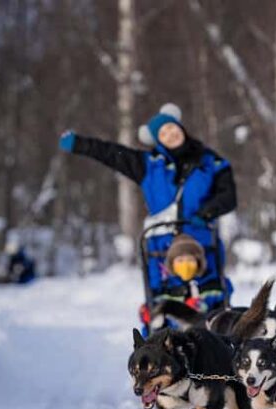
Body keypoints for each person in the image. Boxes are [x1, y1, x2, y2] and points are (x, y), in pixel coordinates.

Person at [58, 103, 236, 316]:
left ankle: (216, 341)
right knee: (164, 303)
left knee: (211, 299)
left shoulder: (211, 162)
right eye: (163, 133)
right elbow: (111, 153)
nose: (170, 135)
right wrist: (79, 144)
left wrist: (205, 213)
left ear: (181, 128)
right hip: (161, 246)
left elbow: (228, 196)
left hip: (201, 241)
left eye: (172, 128)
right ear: (157, 140)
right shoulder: (148, 165)